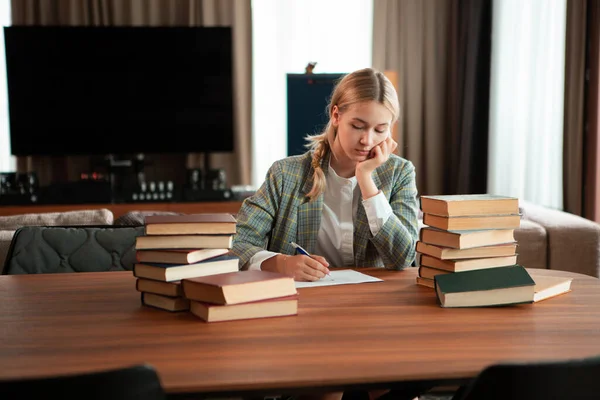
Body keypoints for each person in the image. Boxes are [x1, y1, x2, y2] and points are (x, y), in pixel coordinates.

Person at [231, 67, 426, 400]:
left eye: (381, 130)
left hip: (374, 315)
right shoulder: (287, 173)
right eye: (358, 126)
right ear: (337, 115)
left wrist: (367, 181)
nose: (368, 141)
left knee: (397, 374)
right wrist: (279, 263)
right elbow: (240, 245)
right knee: (327, 385)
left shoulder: (398, 172)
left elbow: (402, 257)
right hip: (305, 317)